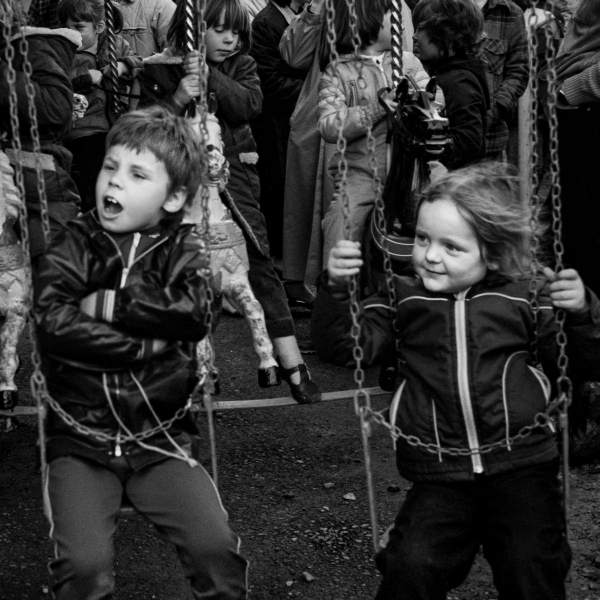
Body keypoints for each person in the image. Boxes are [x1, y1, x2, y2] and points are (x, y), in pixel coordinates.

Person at [313, 161, 600, 600]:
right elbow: (348, 347)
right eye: (423, 239)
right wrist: (336, 289)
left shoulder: (525, 297)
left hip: (521, 465)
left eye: (452, 247)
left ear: (494, 252)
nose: (429, 255)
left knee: (531, 566)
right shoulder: (401, 298)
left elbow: (582, 362)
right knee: (411, 565)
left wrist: (581, 312)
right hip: (441, 471)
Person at [33, 107, 249, 600]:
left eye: (137, 174)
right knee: (83, 567)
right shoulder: (74, 242)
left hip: (160, 441)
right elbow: (53, 325)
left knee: (216, 549)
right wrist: (146, 344)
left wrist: (107, 303)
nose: (115, 182)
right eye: (111, 167)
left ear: (173, 198)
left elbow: (193, 312)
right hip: (81, 441)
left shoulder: (183, 251)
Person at [138, 0, 321, 403]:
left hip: (232, 175)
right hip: (180, 180)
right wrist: (177, 99)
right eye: (219, 30)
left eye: (236, 32)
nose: (229, 39)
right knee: (187, 272)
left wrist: (212, 78)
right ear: (192, 29)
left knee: (257, 259)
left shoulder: (242, 66)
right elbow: (143, 130)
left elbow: (249, 105)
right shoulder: (159, 71)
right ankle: (192, 368)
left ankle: (291, 361)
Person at [279, 0, 413, 305]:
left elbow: (405, 59)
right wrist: (314, 9)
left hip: (392, 152)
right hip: (333, 126)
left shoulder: (393, 10)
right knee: (336, 216)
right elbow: (294, 56)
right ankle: (328, 301)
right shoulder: (331, 10)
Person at [318, 0, 432, 268]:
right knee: (342, 224)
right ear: (367, 20)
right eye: (390, 12)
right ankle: (336, 295)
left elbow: (434, 99)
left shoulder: (408, 63)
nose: (399, 17)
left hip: (412, 172)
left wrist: (421, 100)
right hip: (362, 174)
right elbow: (329, 125)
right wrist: (375, 109)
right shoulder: (338, 71)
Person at [0, 10, 81, 261]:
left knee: (51, 258)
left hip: (33, 166)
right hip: (14, 164)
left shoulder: (31, 46)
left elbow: (56, 109)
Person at [59, 0, 142, 213]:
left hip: (116, 124)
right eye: (68, 27)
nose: (73, 33)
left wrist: (124, 65)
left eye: (79, 28)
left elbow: (141, 64)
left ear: (99, 28)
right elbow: (56, 84)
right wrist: (84, 78)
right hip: (84, 129)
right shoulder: (63, 53)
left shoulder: (115, 44)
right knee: (95, 179)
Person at [250, 0, 311, 261]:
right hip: (276, 125)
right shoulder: (267, 22)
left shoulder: (301, 17)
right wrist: (316, 90)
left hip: (298, 121)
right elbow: (271, 82)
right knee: (280, 193)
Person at [411, 0, 490, 168]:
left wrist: (426, 143)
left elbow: (468, 143)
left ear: (446, 34)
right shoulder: (442, 73)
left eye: (420, 29)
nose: (414, 36)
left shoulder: (459, 81)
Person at [28, 0, 176, 59]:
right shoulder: (48, 3)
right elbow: (31, 50)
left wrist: (124, 66)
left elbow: (173, 58)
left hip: (126, 100)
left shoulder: (159, 6)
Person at [475, 0, 529, 160]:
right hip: (445, 139)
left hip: (490, 140)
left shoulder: (510, 13)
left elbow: (518, 69)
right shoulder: (441, 6)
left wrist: (498, 108)